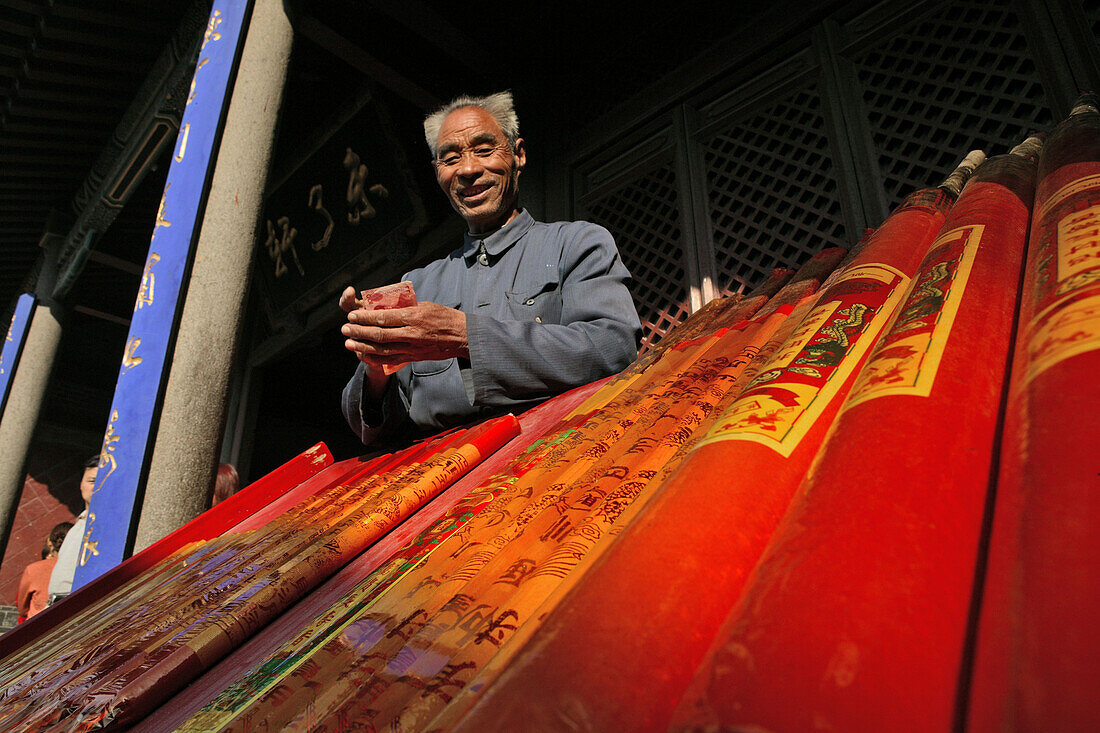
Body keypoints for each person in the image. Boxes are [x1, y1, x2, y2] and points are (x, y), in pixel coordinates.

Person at [341, 91, 641, 444]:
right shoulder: (417, 283)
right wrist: (377, 368)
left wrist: (465, 335)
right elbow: (374, 428)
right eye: (450, 158)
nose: (468, 170)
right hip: (444, 469)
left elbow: (612, 347)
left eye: (484, 150)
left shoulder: (576, 243)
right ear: (438, 173)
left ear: (518, 154)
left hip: (561, 447)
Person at [47, 455, 98, 603]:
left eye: (102, 481)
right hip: (55, 602)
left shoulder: (104, 525)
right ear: (81, 484)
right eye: (92, 481)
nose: (96, 487)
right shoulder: (79, 523)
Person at [14, 521, 72, 622]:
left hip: (36, 627)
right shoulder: (82, 569)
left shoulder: (33, 569)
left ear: (49, 543)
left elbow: (22, 608)